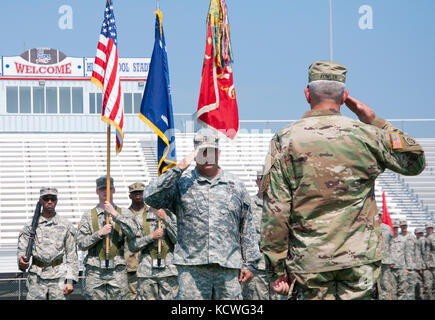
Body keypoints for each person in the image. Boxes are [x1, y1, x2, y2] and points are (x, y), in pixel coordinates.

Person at [260, 60, 426, 300]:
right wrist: (374, 120)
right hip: (359, 261)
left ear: (307, 94)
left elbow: (276, 210)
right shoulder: (368, 134)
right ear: (344, 96)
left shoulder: (285, 139)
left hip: (310, 260)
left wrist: (276, 267)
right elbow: (415, 162)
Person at [143, 129, 261, 300]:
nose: (207, 157)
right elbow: (151, 197)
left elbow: (246, 226)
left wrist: (250, 263)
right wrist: (180, 167)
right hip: (192, 270)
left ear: (219, 153)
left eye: (211, 152)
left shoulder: (235, 185)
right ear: (195, 153)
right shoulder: (182, 183)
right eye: (202, 152)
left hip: (227, 269)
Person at [76, 176, 138, 300]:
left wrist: (115, 215)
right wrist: (99, 234)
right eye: (102, 189)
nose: (105, 192)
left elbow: (133, 233)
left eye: (109, 189)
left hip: (117, 270)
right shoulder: (88, 215)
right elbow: (81, 244)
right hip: (95, 271)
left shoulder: (124, 213)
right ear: (97, 191)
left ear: (114, 190)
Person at [17, 187, 78, 300]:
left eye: (53, 199)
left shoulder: (66, 225)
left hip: (59, 276)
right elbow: (22, 250)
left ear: (57, 201)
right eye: (46, 198)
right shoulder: (30, 226)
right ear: (40, 200)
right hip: (37, 277)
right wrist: (21, 262)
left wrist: (70, 280)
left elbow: (72, 255)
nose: (50, 201)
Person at [241, 169, 286, 300]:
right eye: (263, 180)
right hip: (257, 268)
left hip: (279, 268)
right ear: (257, 181)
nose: (268, 183)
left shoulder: (284, 206)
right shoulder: (247, 205)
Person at [128, 206, 178, 300]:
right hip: (147, 272)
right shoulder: (139, 219)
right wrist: (151, 237)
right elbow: (133, 246)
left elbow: (179, 241)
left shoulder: (172, 217)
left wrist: (166, 220)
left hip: (168, 273)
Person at [124, 182, 147, 300]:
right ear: (130, 196)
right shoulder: (124, 215)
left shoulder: (152, 213)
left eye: (140, 193)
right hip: (131, 263)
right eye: (134, 193)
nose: (138, 195)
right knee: (131, 296)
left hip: (149, 263)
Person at [399, 220, 418, 300]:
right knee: (401, 288)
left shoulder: (412, 237)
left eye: (405, 226)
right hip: (401, 267)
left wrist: (416, 265)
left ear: (407, 227)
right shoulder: (397, 237)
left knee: (411, 287)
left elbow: (416, 252)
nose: (404, 227)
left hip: (411, 267)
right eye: (402, 226)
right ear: (400, 227)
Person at [390, 221, 408, 300]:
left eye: (396, 228)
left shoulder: (403, 240)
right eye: (394, 228)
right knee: (393, 289)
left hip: (402, 267)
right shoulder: (388, 240)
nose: (395, 229)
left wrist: (407, 267)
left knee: (402, 289)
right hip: (392, 268)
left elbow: (406, 254)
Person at [378, 212, 393, 300]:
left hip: (386, 260)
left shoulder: (387, 228)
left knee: (385, 283)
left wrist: (392, 259)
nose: (378, 217)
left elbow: (392, 244)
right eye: (377, 215)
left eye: (380, 215)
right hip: (375, 260)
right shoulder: (370, 227)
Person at [423, 221, 434, 300]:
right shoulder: (423, 239)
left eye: (431, 228)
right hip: (427, 266)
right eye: (428, 228)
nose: (429, 229)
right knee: (428, 286)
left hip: (433, 264)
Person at [414, 227, 426, 300]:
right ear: (415, 234)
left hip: (424, 267)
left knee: (426, 286)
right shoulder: (413, 242)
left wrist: (423, 267)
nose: (421, 235)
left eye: (421, 233)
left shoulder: (425, 242)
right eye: (419, 233)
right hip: (415, 267)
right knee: (416, 286)